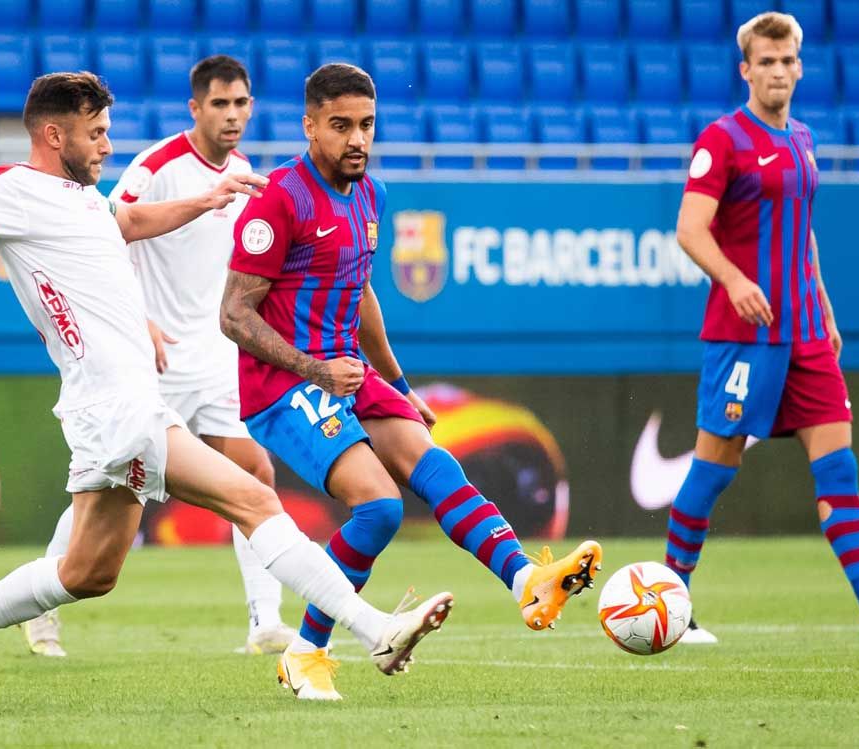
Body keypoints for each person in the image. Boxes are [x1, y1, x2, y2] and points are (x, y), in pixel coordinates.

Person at [0, 71, 453, 702]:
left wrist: (205, 200)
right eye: (98, 133)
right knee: (255, 497)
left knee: (89, 572)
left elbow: (130, 223)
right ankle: (376, 631)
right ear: (56, 136)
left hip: (117, 403)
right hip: (117, 408)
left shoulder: (85, 197)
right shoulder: (6, 188)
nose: (109, 144)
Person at [220, 63, 603, 702]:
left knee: (436, 465)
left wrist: (397, 382)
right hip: (284, 385)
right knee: (379, 508)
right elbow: (233, 313)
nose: (356, 140)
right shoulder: (279, 199)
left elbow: (360, 289)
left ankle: (526, 583)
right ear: (310, 125)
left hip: (348, 368)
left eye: (366, 125)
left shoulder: (372, 195)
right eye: (340, 126)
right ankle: (305, 654)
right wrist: (315, 370)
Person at [667, 12, 859, 644]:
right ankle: (671, 601)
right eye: (765, 61)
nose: (778, 71)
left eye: (787, 60)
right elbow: (690, 229)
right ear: (746, 69)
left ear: (799, 65)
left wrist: (823, 303)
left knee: (839, 467)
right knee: (715, 465)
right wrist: (736, 281)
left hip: (805, 334)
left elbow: (802, 230)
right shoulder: (723, 139)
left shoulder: (803, 139)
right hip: (743, 336)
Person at [19, 55, 295, 659]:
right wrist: (139, 319)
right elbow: (103, 234)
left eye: (241, 103)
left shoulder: (244, 171)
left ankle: (265, 623)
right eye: (219, 103)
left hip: (215, 358)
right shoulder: (156, 166)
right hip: (153, 360)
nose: (232, 115)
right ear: (195, 107)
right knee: (114, 490)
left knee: (256, 475)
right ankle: (40, 608)